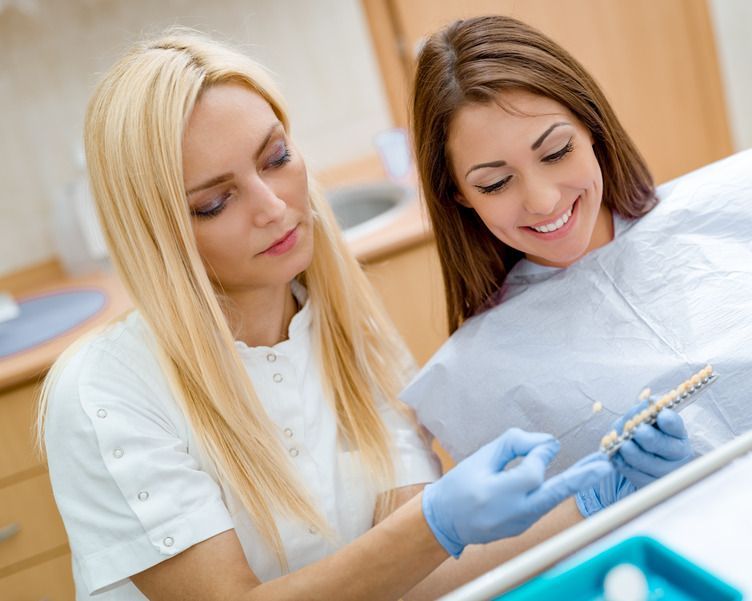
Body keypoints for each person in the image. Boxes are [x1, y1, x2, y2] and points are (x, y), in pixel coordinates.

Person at [36, 29, 657, 601]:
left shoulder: (350, 334)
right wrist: (433, 524)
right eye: (216, 201)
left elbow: (414, 578)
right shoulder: (105, 392)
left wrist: (592, 497)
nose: (274, 207)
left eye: (276, 158)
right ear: (159, 233)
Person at [402, 15, 752, 481]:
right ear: (459, 196)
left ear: (591, 128)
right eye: (495, 183)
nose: (543, 199)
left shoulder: (740, 215)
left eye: (556, 152)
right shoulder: (482, 373)